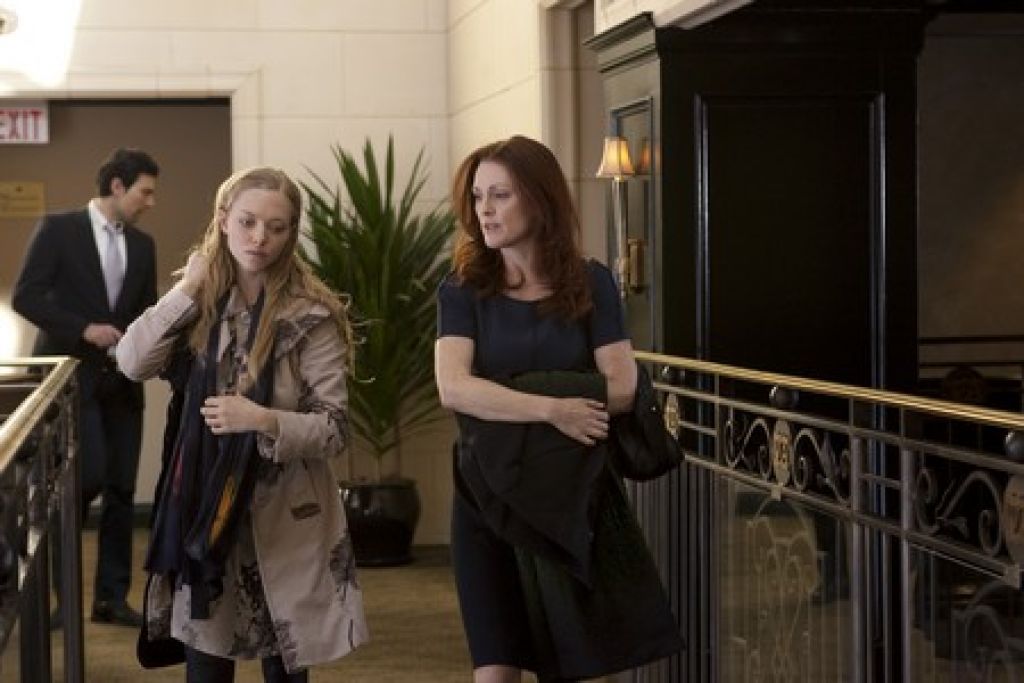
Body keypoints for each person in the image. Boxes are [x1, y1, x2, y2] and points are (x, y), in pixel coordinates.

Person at [435, 135, 683, 683]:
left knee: (569, 663)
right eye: (477, 196)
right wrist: (554, 408)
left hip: (569, 496)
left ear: (539, 198)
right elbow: (454, 389)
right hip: (485, 492)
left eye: (500, 195)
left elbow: (623, 387)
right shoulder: (462, 289)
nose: (484, 210)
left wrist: (504, 394)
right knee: (495, 671)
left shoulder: (591, 281)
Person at [116, 166, 367, 682]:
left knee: (285, 669)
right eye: (248, 222)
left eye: (276, 227)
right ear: (223, 219)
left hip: (287, 513)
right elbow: (131, 361)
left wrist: (263, 419)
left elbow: (336, 428)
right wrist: (187, 288)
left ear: (291, 233)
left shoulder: (311, 315)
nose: (260, 238)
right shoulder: (198, 302)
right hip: (206, 510)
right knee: (206, 667)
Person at [13, 147, 160, 628]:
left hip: (123, 383)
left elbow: (145, 311)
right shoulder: (58, 230)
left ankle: (110, 600)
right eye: (145, 192)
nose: (151, 202)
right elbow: (27, 296)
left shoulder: (143, 246)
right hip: (71, 380)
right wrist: (83, 329)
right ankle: (64, 598)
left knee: (121, 490)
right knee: (83, 481)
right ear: (117, 186)